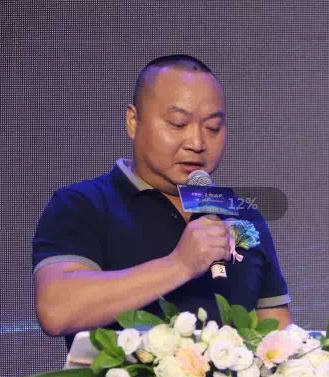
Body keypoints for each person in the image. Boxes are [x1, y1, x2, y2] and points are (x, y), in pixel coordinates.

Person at [32, 55, 291, 348]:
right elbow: (56, 310)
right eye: (178, 124)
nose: (197, 143)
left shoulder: (242, 215)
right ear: (133, 122)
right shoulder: (82, 204)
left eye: (213, 128)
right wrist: (180, 264)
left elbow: (280, 339)